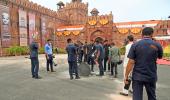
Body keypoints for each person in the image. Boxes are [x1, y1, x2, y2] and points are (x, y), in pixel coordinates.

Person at [124, 27, 163, 100]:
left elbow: (131, 62)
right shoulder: (157, 45)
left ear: (142, 34)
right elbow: (160, 57)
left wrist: (126, 76)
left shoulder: (135, 45)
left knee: (137, 97)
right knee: (152, 96)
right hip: (151, 75)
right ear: (152, 34)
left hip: (138, 76)